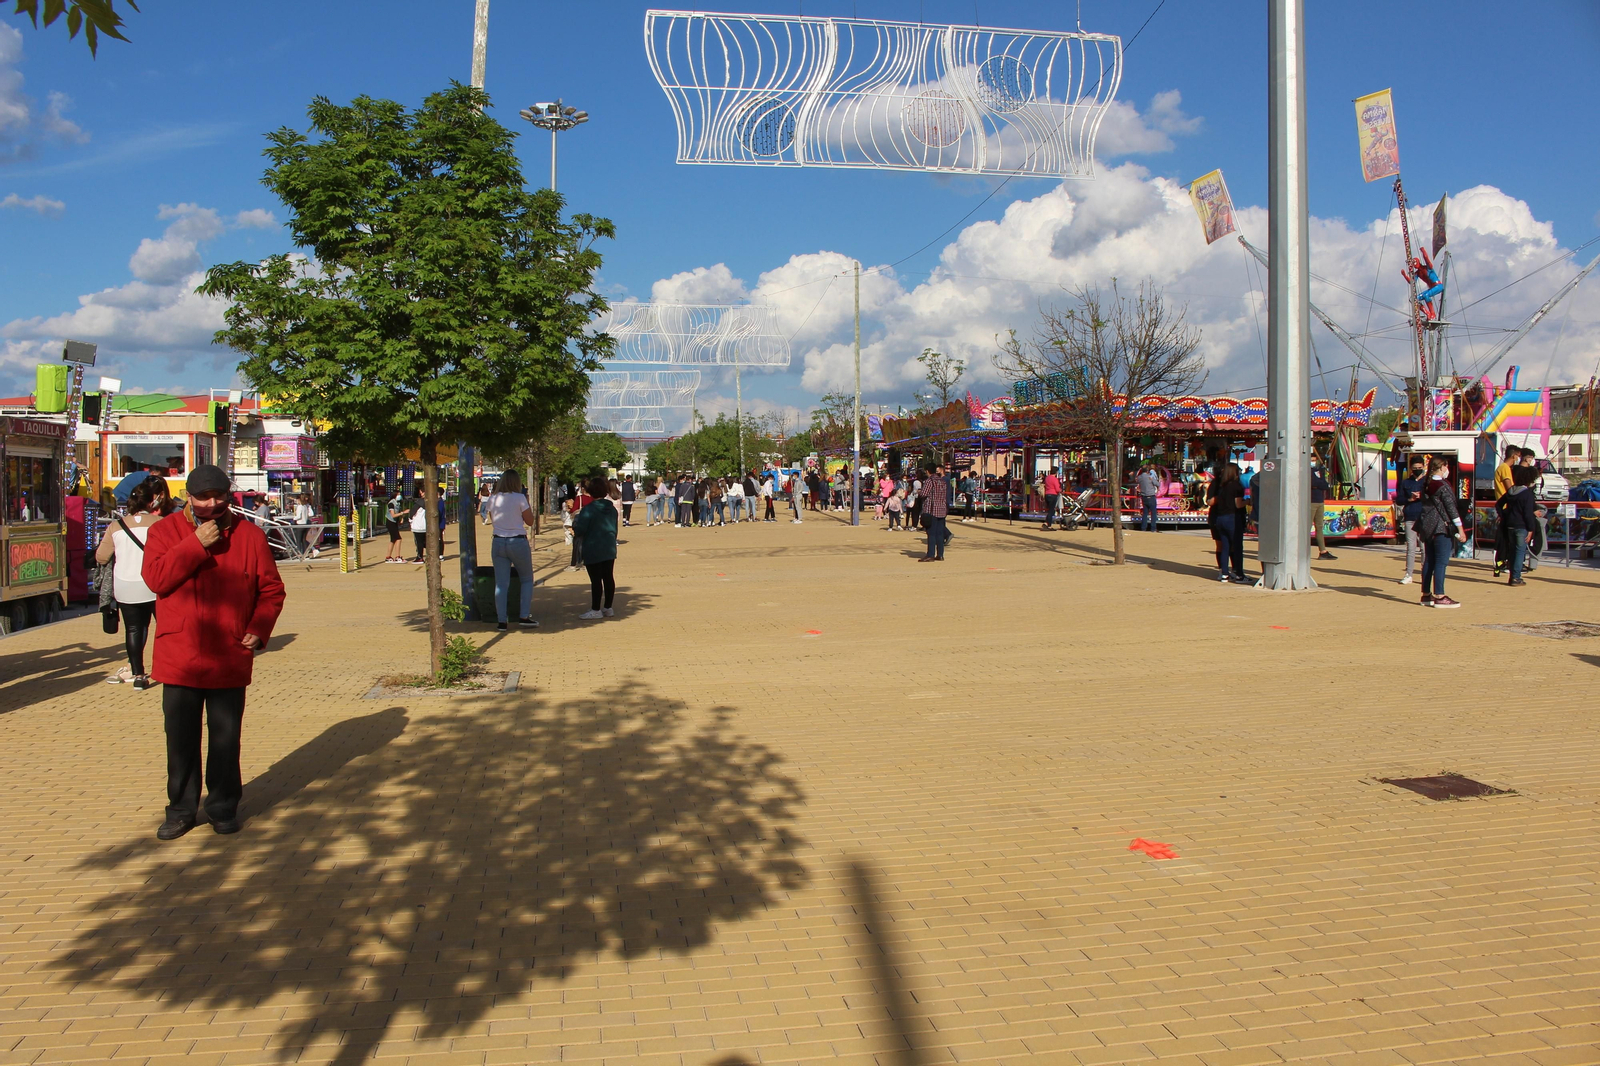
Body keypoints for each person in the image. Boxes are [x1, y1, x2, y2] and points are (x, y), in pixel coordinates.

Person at [142, 464, 285, 839]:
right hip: (179, 656)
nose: (213, 504)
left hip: (227, 654)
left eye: (220, 496)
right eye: (204, 497)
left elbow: (271, 590)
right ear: (188, 497)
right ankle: (181, 810)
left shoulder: (250, 537)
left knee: (225, 738)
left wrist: (258, 628)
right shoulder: (164, 532)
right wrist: (195, 544)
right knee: (180, 740)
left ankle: (222, 806)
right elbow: (156, 579)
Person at [94, 475, 171, 689]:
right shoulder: (162, 524)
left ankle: (138, 675)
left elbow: (101, 557)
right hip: (154, 584)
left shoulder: (116, 527)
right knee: (164, 627)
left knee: (134, 629)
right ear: (151, 502)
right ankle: (168, 668)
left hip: (125, 586)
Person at [486, 470, 539, 631]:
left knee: (501, 583)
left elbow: (493, 518)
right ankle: (523, 616)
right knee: (526, 579)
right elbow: (530, 522)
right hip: (517, 540)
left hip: (498, 540)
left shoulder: (493, 498)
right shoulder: (520, 498)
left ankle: (502, 620)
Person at [1415, 456, 1466, 608]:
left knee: (1429, 560)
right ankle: (1440, 595)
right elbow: (1451, 509)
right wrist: (1460, 529)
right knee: (1441, 562)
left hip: (1427, 526)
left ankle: (1426, 594)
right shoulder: (1443, 486)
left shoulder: (1426, 483)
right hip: (1441, 527)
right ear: (1443, 466)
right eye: (1446, 466)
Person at [572, 476, 619, 620]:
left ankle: (596, 609)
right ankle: (608, 607)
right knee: (608, 577)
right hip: (609, 546)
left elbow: (580, 529)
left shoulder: (588, 510)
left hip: (593, 547)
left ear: (591, 491)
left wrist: (575, 525)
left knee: (596, 580)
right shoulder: (612, 509)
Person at [1498, 465, 1543, 587]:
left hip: (1509, 525)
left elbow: (1498, 504)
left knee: (1512, 551)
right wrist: (1531, 529)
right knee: (1519, 551)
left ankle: (1512, 575)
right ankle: (1516, 577)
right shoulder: (1527, 494)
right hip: (1521, 526)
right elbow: (1528, 514)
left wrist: (1503, 515)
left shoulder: (1511, 491)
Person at [1207, 463, 1245, 582]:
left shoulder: (1221, 486)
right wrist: (1248, 501)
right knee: (1237, 546)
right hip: (1232, 518)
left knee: (1224, 546)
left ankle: (1224, 573)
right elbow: (1238, 504)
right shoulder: (1236, 486)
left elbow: (1210, 501)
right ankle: (1238, 574)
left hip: (1220, 518)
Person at [1394, 456, 1426, 585]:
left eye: (1420, 468)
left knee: (1424, 547)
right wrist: (1410, 499)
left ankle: (1425, 574)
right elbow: (1399, 499)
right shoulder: (1406, 483)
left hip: (1423, 517)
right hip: (1410, 516)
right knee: (1410, 547)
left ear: (1423, 467)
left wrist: (1422, 496)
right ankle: (1409, 574)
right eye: (1415, 468)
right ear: (1411, 469)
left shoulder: (1426, 482)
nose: (1417, 470)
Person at [918, 465, 950, 561]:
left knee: (931, 533)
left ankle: (930, 554)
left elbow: (924, 493)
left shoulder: (930, 481)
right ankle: (940, 554)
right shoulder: (942, 481)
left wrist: (919, 492)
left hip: (931, 510)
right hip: (942, 509)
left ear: (927, 471)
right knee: (939, 533)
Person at [1310, 457, 1335, 560]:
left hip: (1319, 500)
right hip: (1310, 501)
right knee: (1306, 527)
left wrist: (1319, 485)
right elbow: (1313, 483)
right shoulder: (1306, 471)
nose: (1313, 461)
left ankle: (1323, 551)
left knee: (1319, 527)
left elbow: (1324, 485)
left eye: (1314, 459)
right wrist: (1318, 485)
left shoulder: (1318, 471)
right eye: (1312, 459)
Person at [566, 481, 593, 569]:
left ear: (583, 488)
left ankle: (574, 563)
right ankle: (586, 562)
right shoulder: (593, 498)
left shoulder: (580, 498)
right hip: (591, 522)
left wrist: (569, 508)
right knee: (588, 542)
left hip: (580, 522)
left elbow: (574, 510)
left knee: (577, 542)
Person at [1135, 464, 1161, 533]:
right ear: (1148, 471)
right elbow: (1158, 484)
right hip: (1151, 496)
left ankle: (1143, 528)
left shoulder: (1140, 477)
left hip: (1144, 496)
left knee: (1145, 513)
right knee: (1153, 513)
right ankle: (1153, 528)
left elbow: (1136, 481)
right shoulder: (1150, 477)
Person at [409, 491, 428, 562]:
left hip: (417, 526)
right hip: (425, 526)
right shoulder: (430, 503)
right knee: (425, 542)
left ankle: (419, 557)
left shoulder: (418, 503)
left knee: (419, 542)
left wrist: (410, 520)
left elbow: (412, 513)